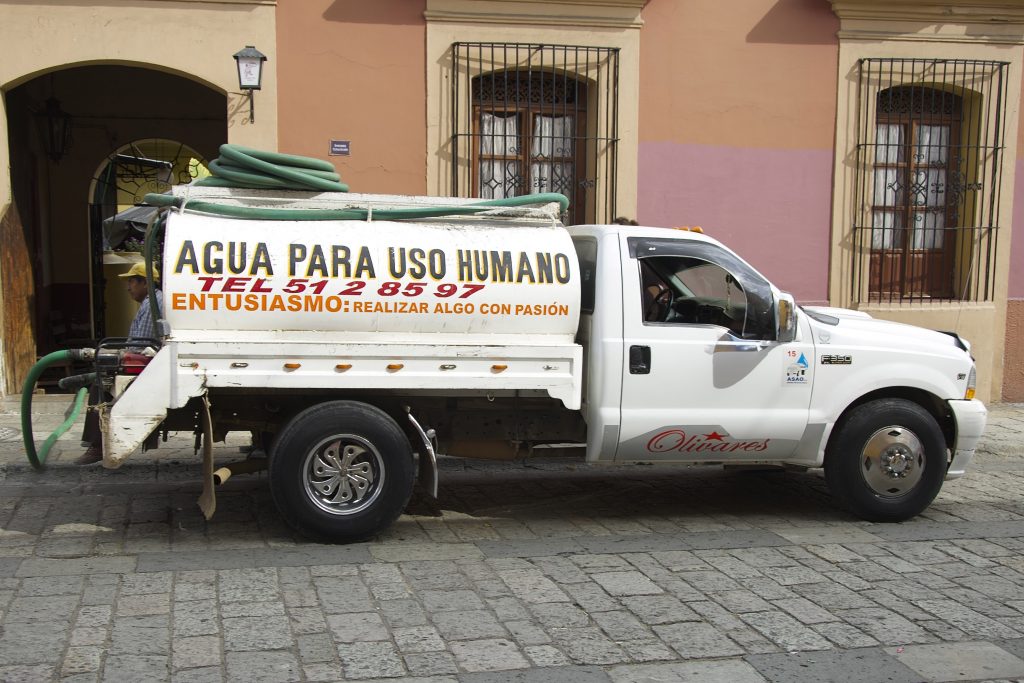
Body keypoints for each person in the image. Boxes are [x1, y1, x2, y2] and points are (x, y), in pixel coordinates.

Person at [77, 262, 164, 464]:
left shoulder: (153, 304)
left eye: (132, 281)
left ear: (145, 283)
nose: (128, 287)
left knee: (100, 382)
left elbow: (138, 345)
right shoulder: (150, 302)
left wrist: (114, 353)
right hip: (147, 358)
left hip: (147, 364)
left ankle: (97, 445)